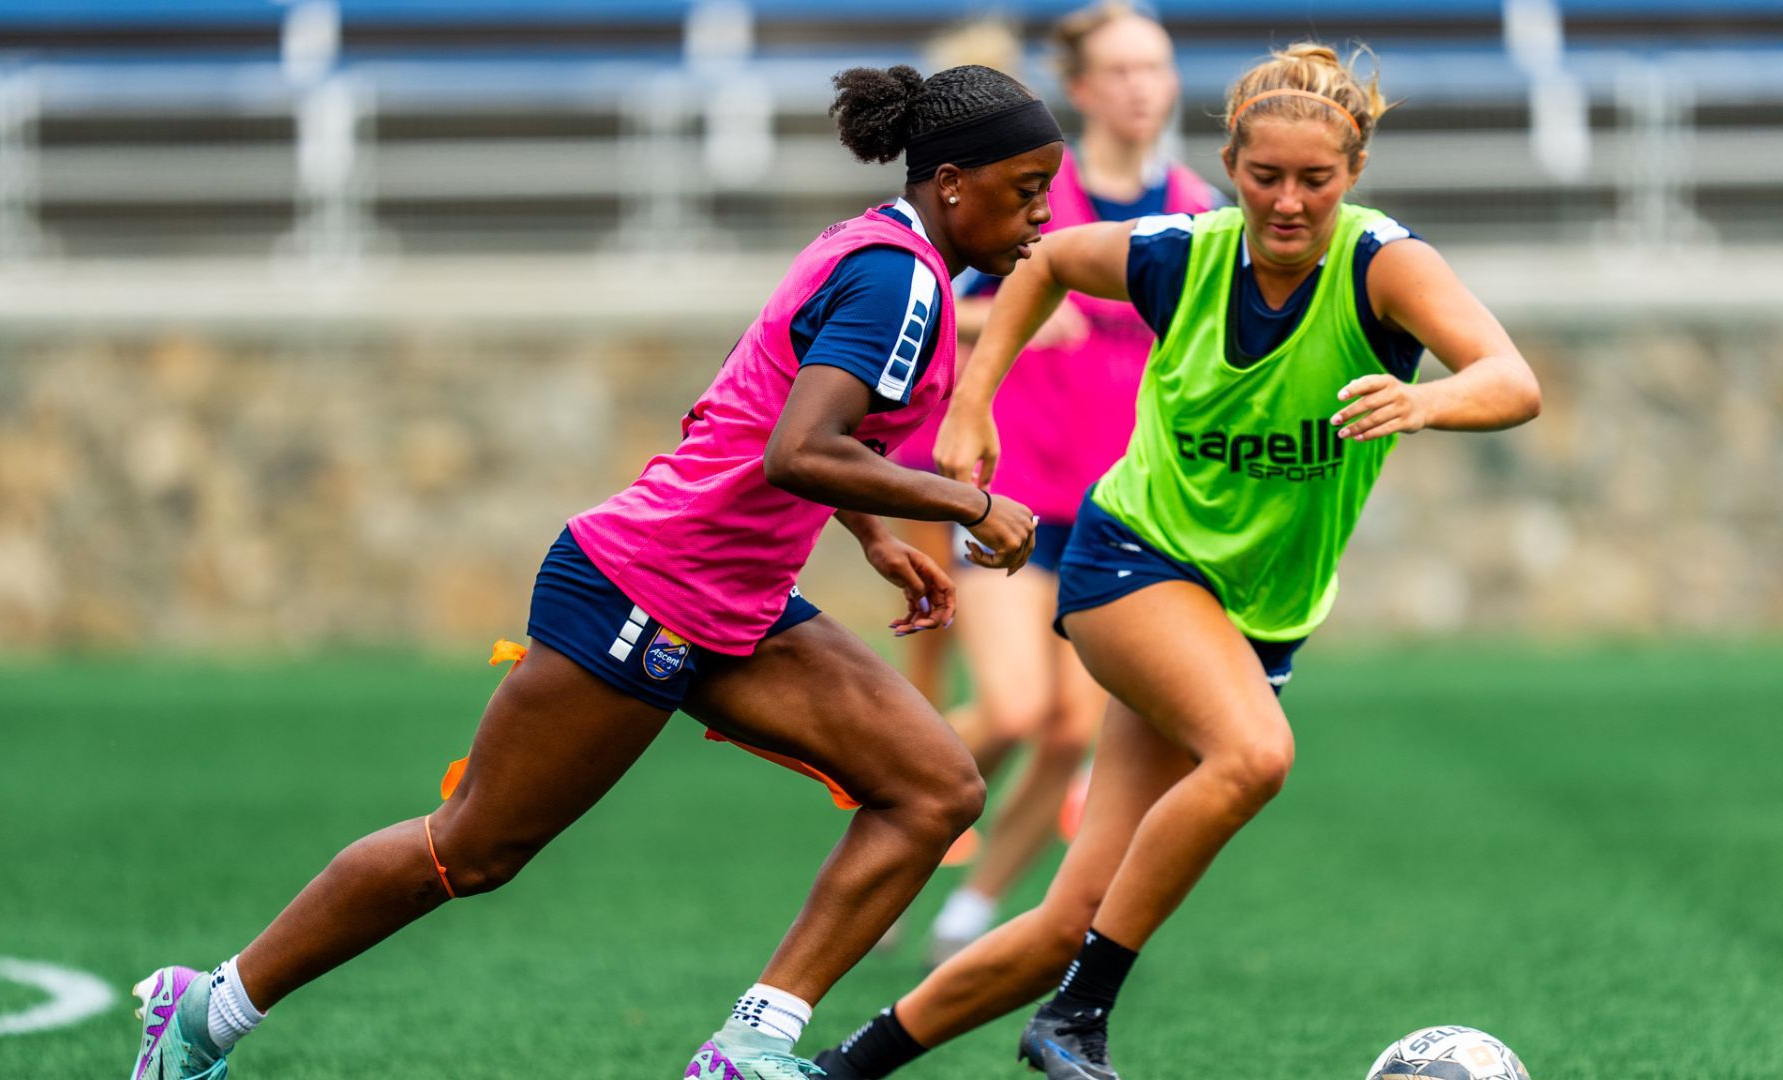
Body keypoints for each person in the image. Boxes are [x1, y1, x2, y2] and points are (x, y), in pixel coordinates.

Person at [127, 63, 1065, 1080]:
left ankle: (749, 1050)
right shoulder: (901, 280)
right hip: (643, 588)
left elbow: (766, 415)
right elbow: (798, 447)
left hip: (727, 599)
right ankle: (206, 1010)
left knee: (933, 788)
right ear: (957, 183)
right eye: (1025, 191)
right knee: (474, 847)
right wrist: (965, 504)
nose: (1040, 218)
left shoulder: (889, 255)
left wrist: (872, 534)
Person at [814, 42, 1541, 1080]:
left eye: (1315, 181)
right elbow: (1055, 260)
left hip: (1255, 609)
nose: (1287, 203)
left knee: (1072, 914)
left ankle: (839, 1068)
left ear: (1356, 173)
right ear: (1232, 167)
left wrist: (1426, 398)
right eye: (1265, 177)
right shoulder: (1181, 252)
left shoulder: (1387, 267)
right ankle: (1081, 1018)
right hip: (1134, 561)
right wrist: (972, 402)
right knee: (1254, 756)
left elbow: (1513, 380)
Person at [923, 0, 1225, 969]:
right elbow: (929, 305)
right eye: (1123, 70)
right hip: (1011, 497)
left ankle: (971, 907)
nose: (1144, 87)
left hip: (1120, 517)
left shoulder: (1199, 214)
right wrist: (997, 325)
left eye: (1157, 67)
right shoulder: (1037, 202)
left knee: (1064, 734)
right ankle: (895, 809)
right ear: (1083, 90)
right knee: (1013, 710)